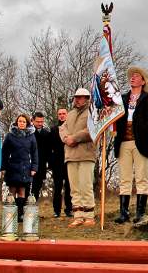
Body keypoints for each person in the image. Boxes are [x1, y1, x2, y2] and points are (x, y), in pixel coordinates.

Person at [113, 66, 148, 224]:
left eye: (136, 76)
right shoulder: (121, 99)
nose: (132, 78)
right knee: (124, 178)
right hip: (123, 142)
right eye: (131, 76)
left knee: (141, 178)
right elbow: (113, 118)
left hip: (142, 143)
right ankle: (124, 213)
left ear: (143, 81)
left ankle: (140, 213)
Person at [59, 88, 96, 227]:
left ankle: (89, 215)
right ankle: (78, 215)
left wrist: (74, 138)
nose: (78, 99)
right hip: (70, 155)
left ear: (87, 98)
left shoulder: (92, 112)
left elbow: (91, 130)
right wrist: (66, 138)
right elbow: (62, 128)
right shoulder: (71, 114)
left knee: (85, 185)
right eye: (76, 97)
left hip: (86, 154)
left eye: (81, 97)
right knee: (74, 187)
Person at [2, 114, 38, 222]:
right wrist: (3, 167)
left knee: (22, 191)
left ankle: (20, 214)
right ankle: (11, 215)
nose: (21, 123)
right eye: (19, 121)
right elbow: (4, 152)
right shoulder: (10, 135)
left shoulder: (31, 136)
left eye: (23, 122)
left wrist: (34, 168)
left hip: (25, 167)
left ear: (27, 123)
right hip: (12, 166)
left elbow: (34, 153)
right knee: (12, 191)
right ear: (16, 122)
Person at [51, 108, 73, 218]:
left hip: (69, 161)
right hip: (57, 163)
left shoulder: (71, 128)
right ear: (57, 115)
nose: (62, 116)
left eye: (64, 114)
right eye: (60, 114)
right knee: (57, 187)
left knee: (69, 187)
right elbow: (50, 148)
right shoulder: (54, 129)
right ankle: (56, 210)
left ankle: (69, 209)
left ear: (67, 115)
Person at [27, 112, 51, 200]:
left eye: (41, 121)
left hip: (41, 165)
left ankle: (32, 210)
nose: (40, 124)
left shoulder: (47, 134)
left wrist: (49, 163)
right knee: (26, 186)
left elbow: (48, 151)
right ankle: (24, 208)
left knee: (37, 187)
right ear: (32, 121)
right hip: (29, 163)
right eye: (38, 121)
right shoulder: (28, 133)